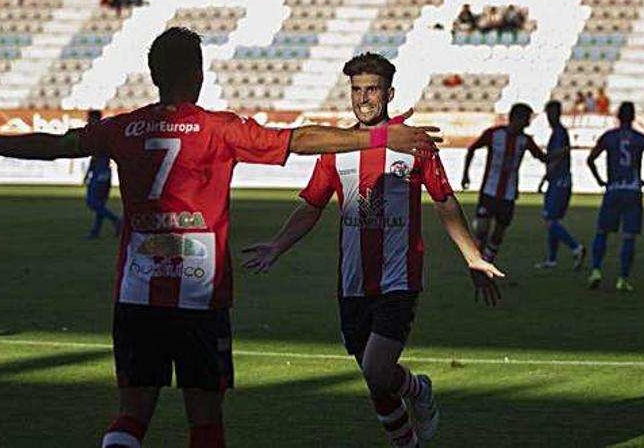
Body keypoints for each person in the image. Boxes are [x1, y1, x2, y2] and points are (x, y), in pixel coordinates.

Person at [0, 27, 442, 448]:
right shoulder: (218, 129)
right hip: (200, 295)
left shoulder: (124, 128)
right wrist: (378, 136)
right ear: (199, 74)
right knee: (204, 421)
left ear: (155, 76)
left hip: (137, 291)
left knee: (131, 416)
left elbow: (57, 146)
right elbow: (299, 139)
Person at [242, 53, 503, 448]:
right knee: (373, 375)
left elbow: (445, 201)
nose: (363, 98)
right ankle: (408, 437)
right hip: (352, 283)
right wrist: (279, 244)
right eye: (357, 90)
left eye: (372, 89)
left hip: (399, 278)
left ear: (389, 93)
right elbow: (312, 205)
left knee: (377, 368)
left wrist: (472, 255)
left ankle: (416, 390)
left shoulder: (415, 145)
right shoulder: (335, 149)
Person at [586, 102, 644, 292]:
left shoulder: (609, 137)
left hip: (613, 190)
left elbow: (590, 159)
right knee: (629, 236)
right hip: (633, 191)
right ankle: (622, 278)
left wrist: (600, 180)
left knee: (602, 232)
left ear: (617, 116)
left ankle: (596, 271)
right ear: (633, 117)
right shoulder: (640, 138)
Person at [462, 103, 547, 263]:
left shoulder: (525, 140)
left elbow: (543, 158)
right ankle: (480, 258)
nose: (528, 123)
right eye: (526, 119)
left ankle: (487, 260)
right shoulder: (494, 134)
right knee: (482, 230)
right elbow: (472, 149)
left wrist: (560, 154)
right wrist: (465, 175)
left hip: (508, 194)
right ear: (516, 118)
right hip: (489, 190)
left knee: (499, 231)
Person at [536, 100, 585, 269]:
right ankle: (552, 259)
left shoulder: (559, 133)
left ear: (557, 113)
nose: (549, 117)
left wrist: (546, 177)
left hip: (560, 180)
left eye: (552, 113)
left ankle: (576, 247)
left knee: (550, 220)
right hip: (559, 180)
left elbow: (557, 157)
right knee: (552, 220)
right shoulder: (558, 133)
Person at [83, 109, 121, 238]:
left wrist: (89, 173)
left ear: (94, 119)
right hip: (106, 171)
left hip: (100, 170)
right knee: (100, 203)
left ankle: (116, 220)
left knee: (92, 202)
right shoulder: (107, 131)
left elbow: (95, 156)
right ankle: (95, 231)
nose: (87, 121)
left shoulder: (97, 132)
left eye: (89, 119)